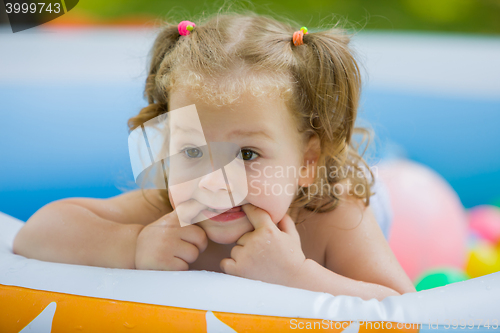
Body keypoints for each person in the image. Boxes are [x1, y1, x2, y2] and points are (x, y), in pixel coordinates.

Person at [13, 10, 416, 301]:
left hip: (357, 198)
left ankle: (395, 172)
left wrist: (297, 275)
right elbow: (36, 234)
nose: (214, 181)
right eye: (192, 150)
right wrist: (132, 245)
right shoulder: (162, 214)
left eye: (247, 153)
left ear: (307, 162)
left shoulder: (331, 216)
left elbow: (405, 307)